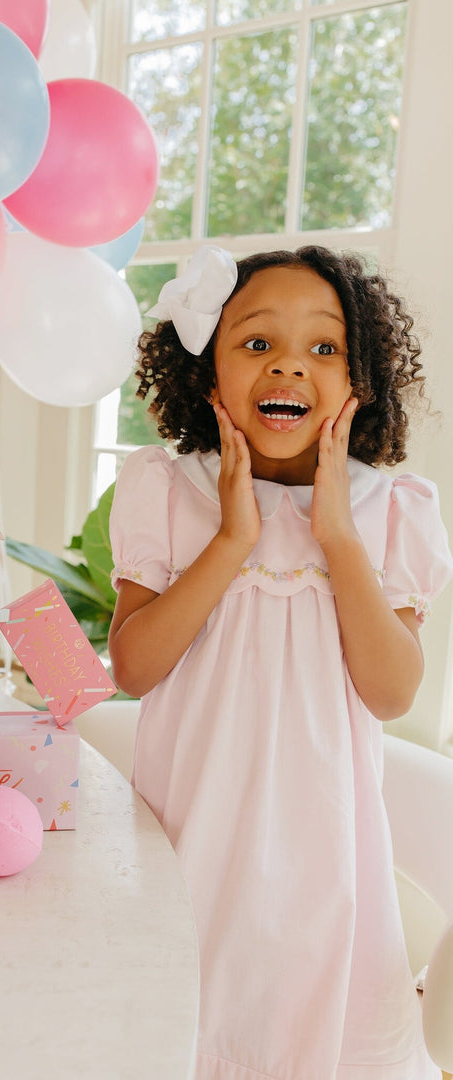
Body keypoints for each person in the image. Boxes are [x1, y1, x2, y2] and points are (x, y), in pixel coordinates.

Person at [108, 244, 453, 1080]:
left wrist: (336, 533)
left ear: (358, 381)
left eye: (323, 347)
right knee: (178, 1034)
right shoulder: (167, 489)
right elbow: (133, 669)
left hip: (324, 866)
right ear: (209, 375)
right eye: (257, 344)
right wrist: (233, 538)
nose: (289, 364)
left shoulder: (388, 510)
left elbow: (391, 690)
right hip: (187, 849)